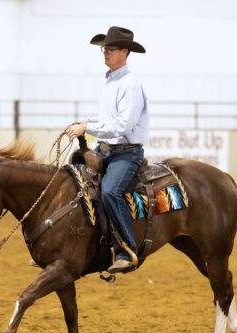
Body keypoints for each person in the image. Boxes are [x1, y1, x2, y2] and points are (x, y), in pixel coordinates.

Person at [65, 26, 149, 273]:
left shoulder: (130, 84)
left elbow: (123, 124)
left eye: (110, 49)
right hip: (106, 149)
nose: (105, 53)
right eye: (104, 49)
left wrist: (87, 127)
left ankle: (127, 250)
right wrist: (84, 123)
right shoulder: (110, 82)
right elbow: (107, 119)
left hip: (126, 152)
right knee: (72, 179)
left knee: (111, 191)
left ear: (124, 52)